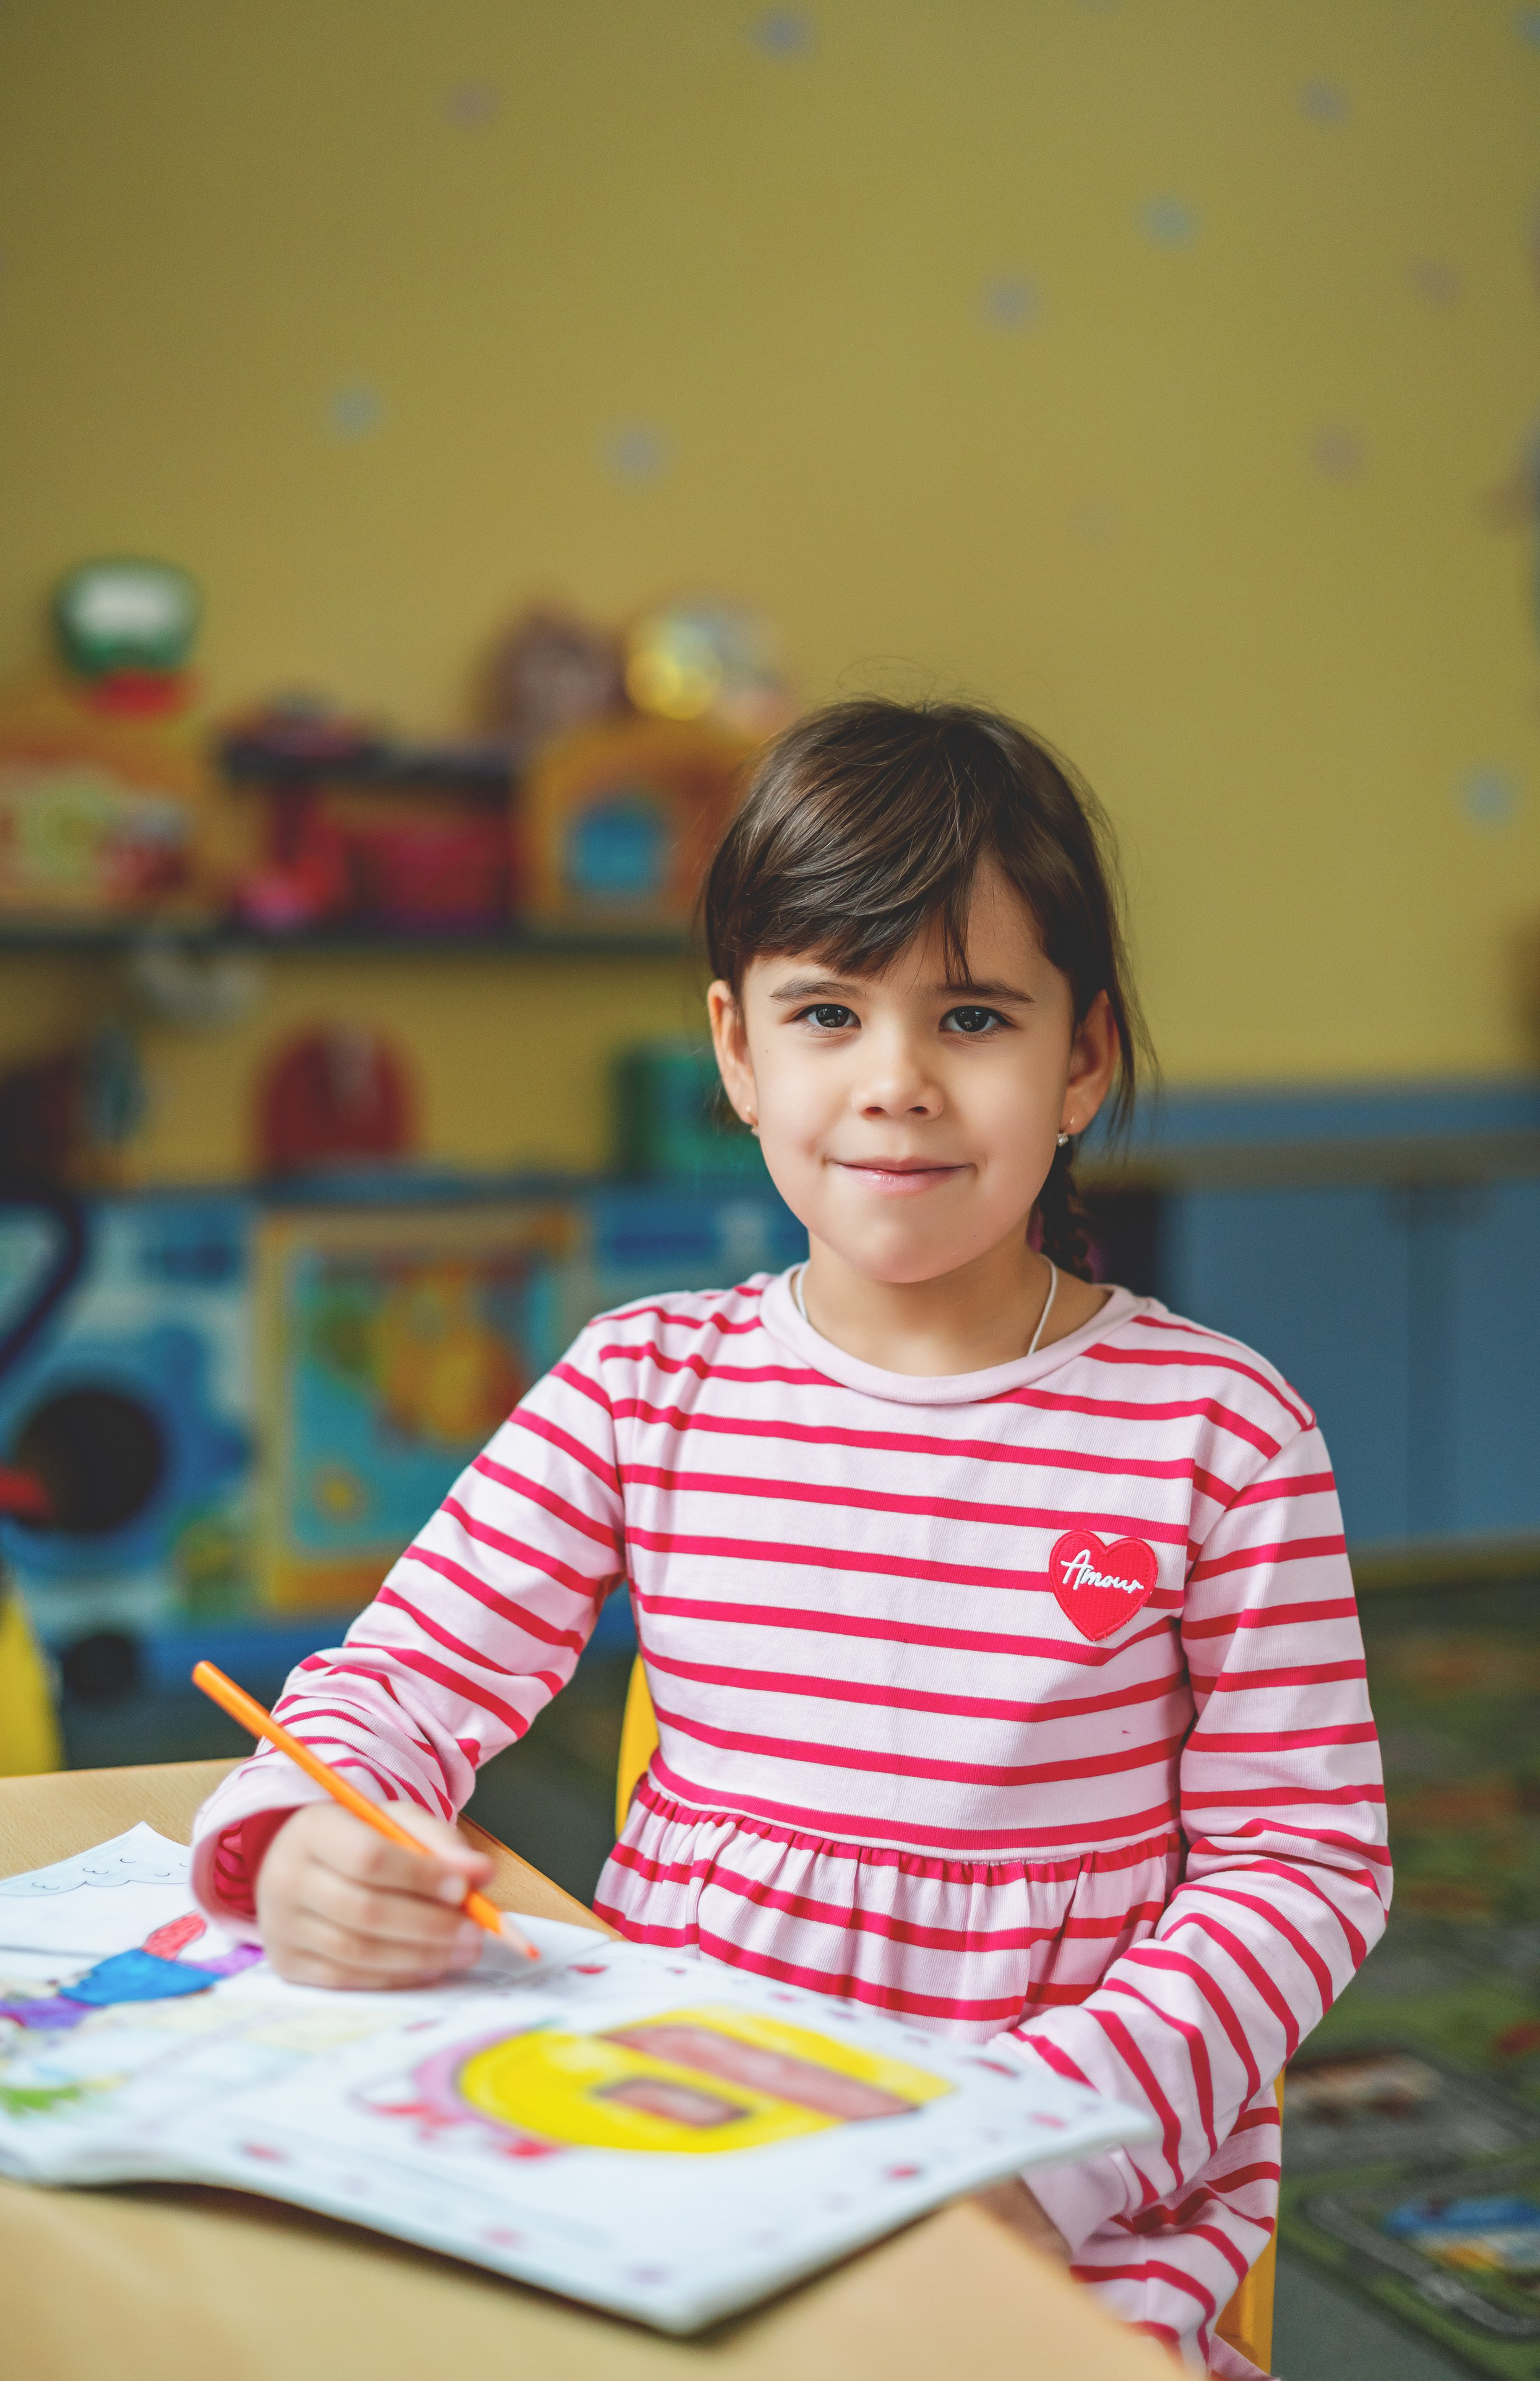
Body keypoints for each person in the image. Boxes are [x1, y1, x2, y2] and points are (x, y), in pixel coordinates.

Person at [192, 699, 1388, 2375]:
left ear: (1084, 1058)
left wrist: (1047, 2150)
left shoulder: (1220, 1435)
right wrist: (306, 1844)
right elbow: (399, 1679)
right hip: (674, 2138)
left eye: (971, 1014)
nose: (894, 1082)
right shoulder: (641, 1387)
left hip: (1054, 2189)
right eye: (829, 1010)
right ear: (740, 1052)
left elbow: (1304, 1861)